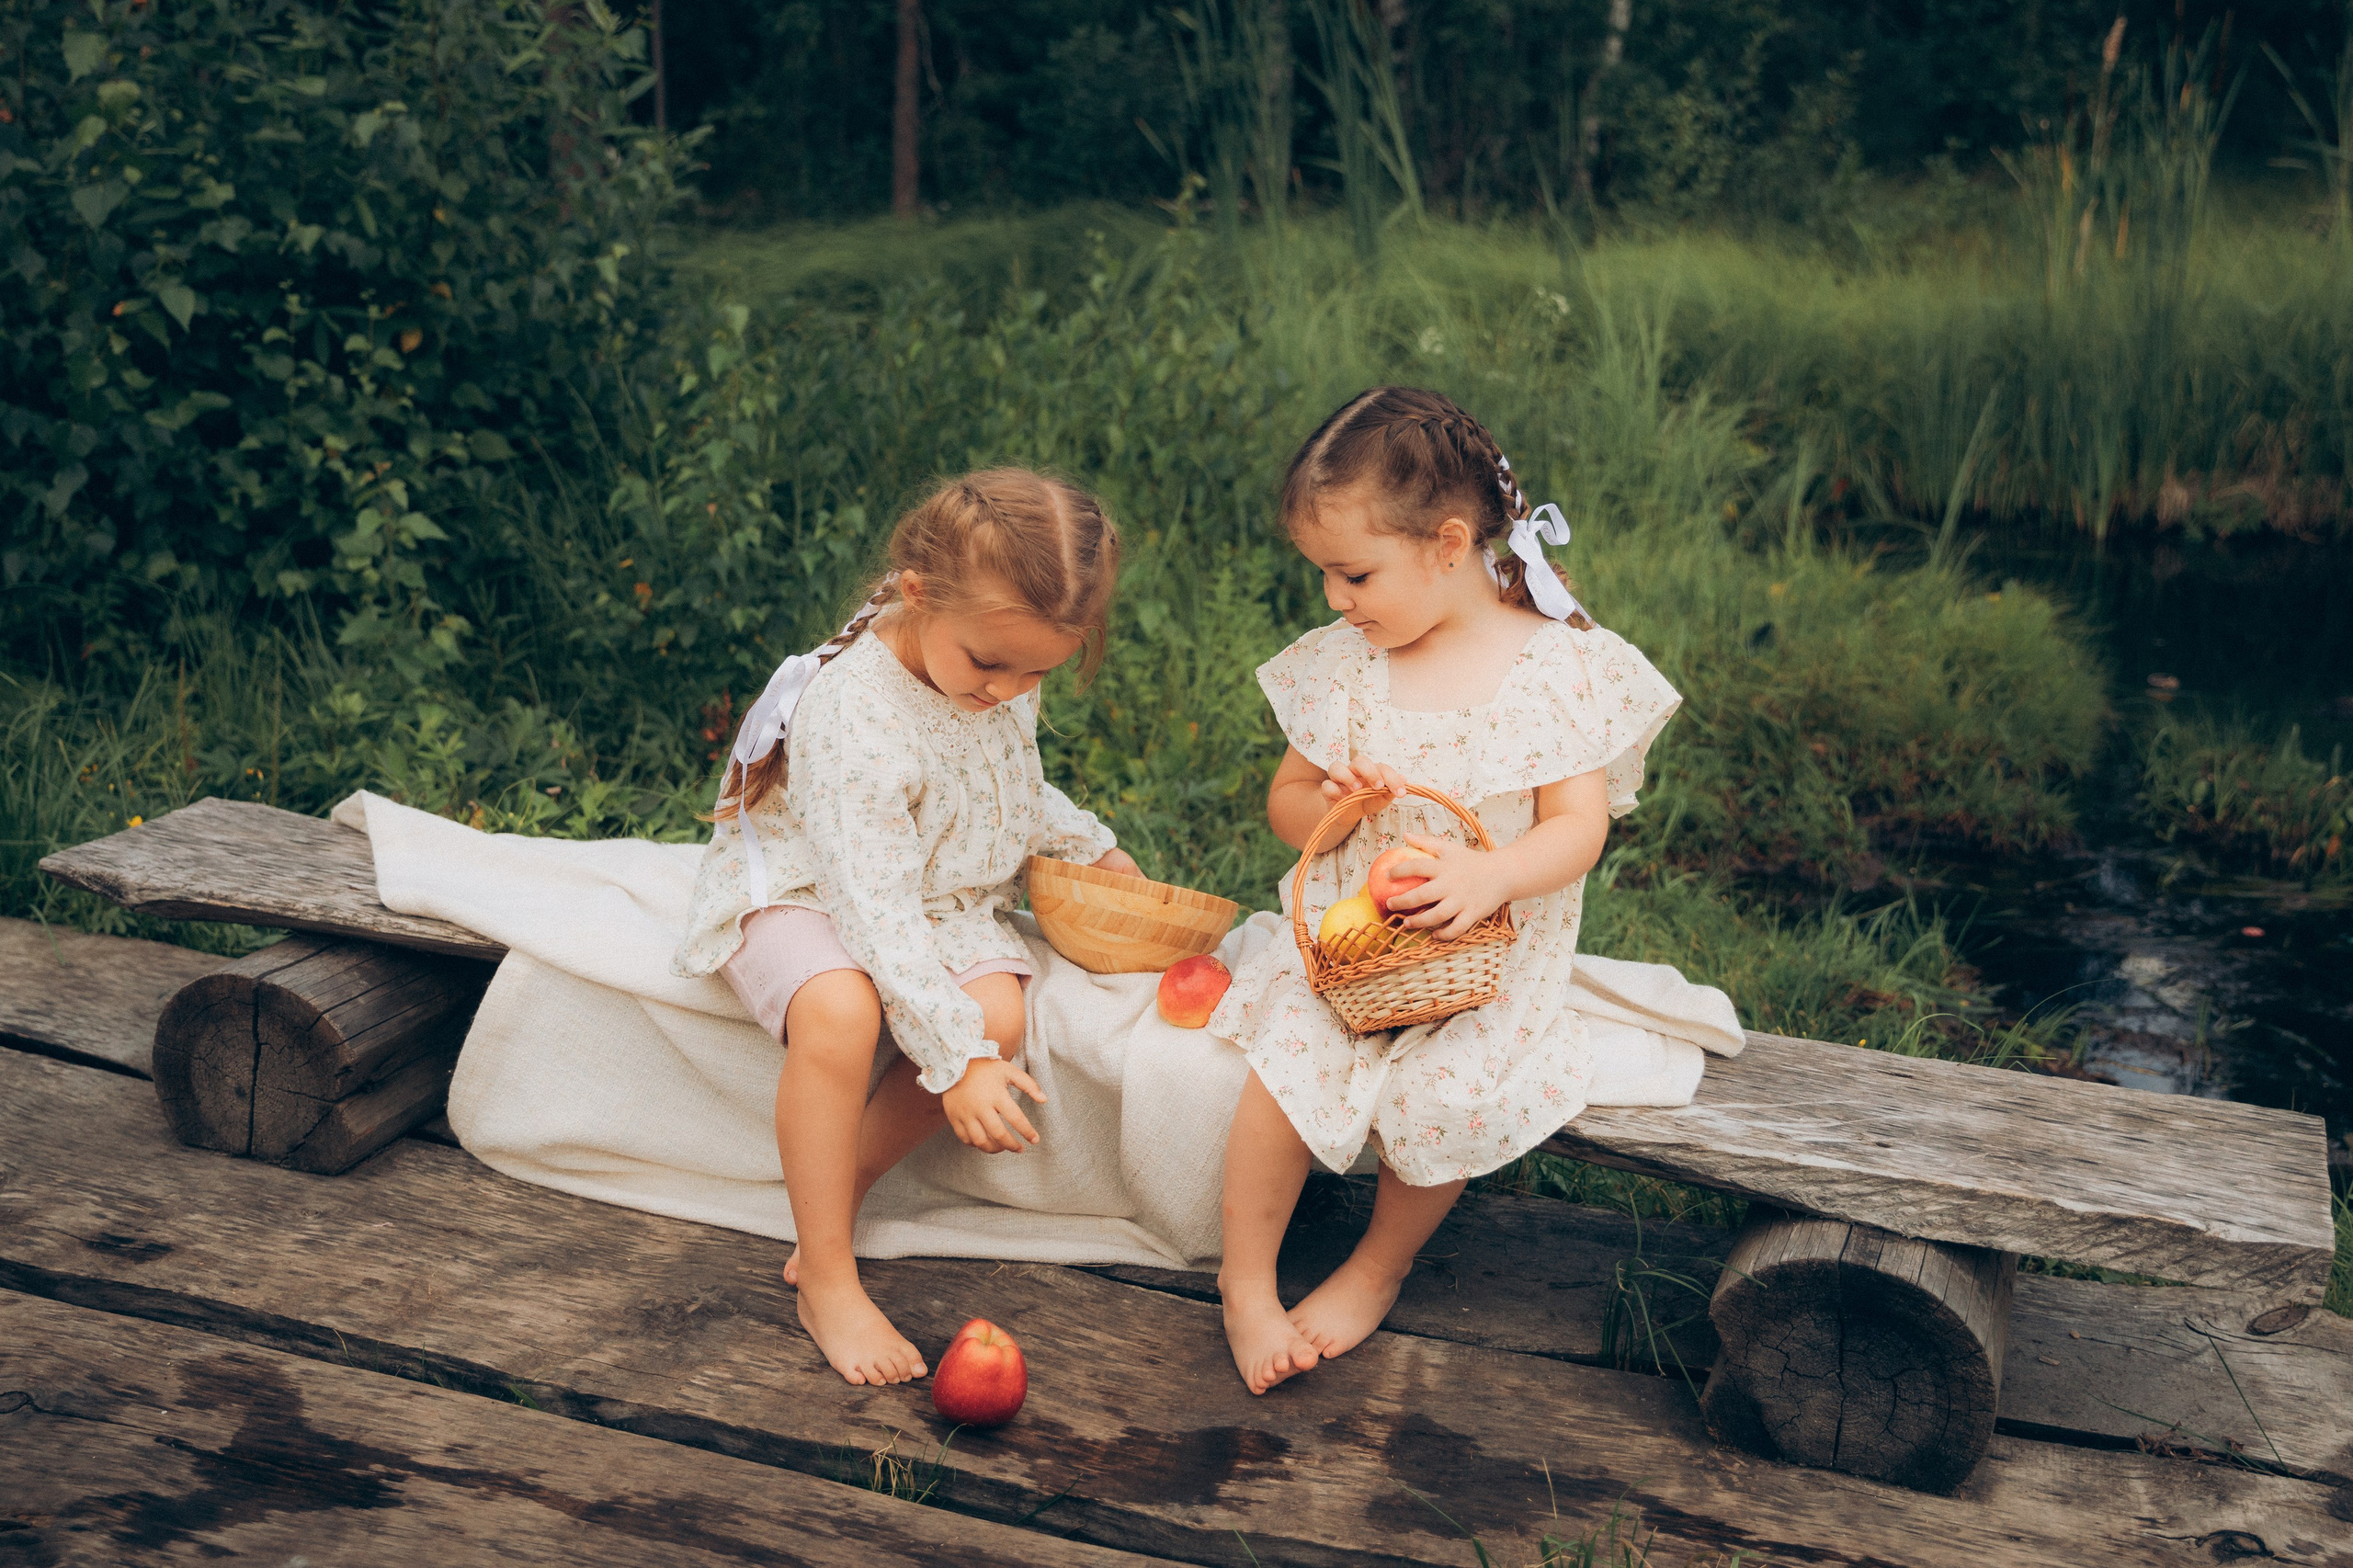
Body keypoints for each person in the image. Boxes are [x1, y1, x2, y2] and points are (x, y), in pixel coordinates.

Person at [1209, 387, 1682, 1394]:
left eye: (1353, 573)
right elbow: (1284, 804)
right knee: (1284, 1053)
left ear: (1448, 544)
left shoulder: (1555, 667)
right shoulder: (1346, 663)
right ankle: (1243, 1282)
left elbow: (1578, 827)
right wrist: (1328, 803)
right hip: (1353, 947)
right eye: (1324, 575)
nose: (1336, 599)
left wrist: (1491, 872)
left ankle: (1377, 1265)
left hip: (1492, 949)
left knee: (1448, 1090)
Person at [672, 469, 1140, 1387]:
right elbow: (869, 905)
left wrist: (1089, 846)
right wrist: (952, 1060)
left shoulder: (990, 670)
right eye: (990, 664)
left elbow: (1005, 779)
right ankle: (830, 1277)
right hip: (812, 879)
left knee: (996, 1016)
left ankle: (833, 1194)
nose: (1007, 689)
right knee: (841, 1009)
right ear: (919, 595)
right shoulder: (858, 714)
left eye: (1036, 671)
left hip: (927, 881)